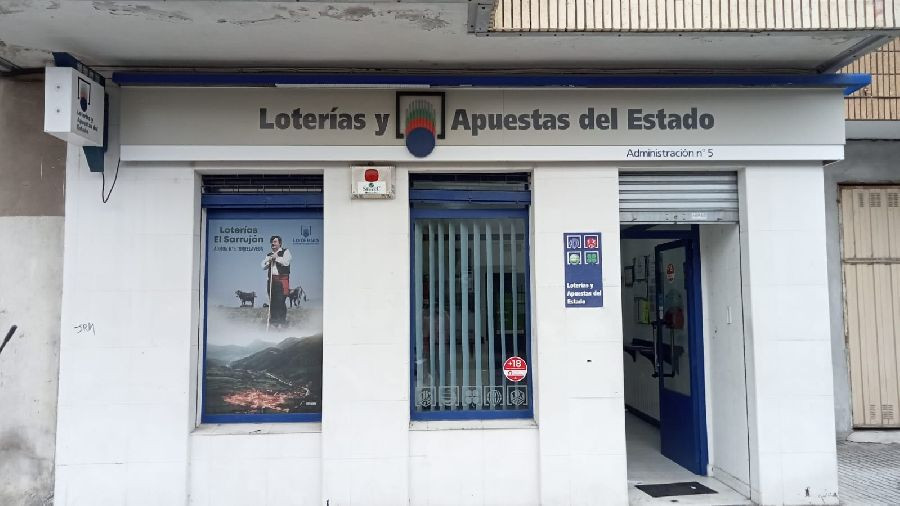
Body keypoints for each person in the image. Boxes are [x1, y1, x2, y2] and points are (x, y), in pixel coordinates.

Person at [261, 235, 292, 325]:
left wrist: (276, 258)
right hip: (271, 281)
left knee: (280, 301)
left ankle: (282, 322)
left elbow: (286, 262)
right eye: (272, 242)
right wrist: (269, 260)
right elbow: (263, 266)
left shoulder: (285, 251)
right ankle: (274, 323)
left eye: (275, 242)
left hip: (281, 280)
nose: (272, 243)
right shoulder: (269, 255)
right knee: (272, 302)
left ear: (280, 243)